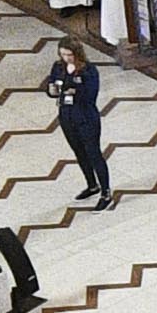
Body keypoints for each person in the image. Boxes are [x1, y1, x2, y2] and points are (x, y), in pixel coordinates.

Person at [45, 47, 110, 208]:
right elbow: (53, 85)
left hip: (86, 117)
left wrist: (74, 91)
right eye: (63, 54)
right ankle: (92, 185)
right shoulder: (58, 67)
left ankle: (106, 192)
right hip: (67, 116)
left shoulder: (88, 70)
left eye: (69, 54)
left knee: (94, 154)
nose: (66, 57)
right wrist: (52, 90)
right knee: (79, 152)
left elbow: (90, 95)